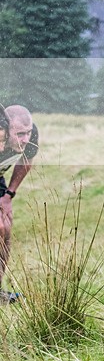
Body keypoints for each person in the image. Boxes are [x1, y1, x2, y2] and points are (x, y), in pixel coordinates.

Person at [0, 105, 39, 304]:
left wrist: (8, 196)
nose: (26, 139)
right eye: (20, 134)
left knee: (5, 229)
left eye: (28, 132)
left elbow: (26, 160)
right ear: (6, 130)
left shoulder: (30, 136)